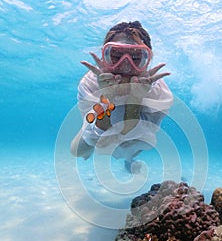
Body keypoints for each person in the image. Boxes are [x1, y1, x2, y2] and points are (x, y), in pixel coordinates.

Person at [70, 21, 174, 173]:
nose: (125, 66)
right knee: (79, 151)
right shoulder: (91, 83)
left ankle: (129, 159)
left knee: (133, 146)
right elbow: (95, 136)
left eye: (136, 58)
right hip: (101, 127)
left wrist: (136, 98)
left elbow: (129, 132)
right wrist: (107, 98)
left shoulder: (159, 92)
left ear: (148, 61)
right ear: (104, 57)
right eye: (116, 56)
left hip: (137, 134)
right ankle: (104, 145)